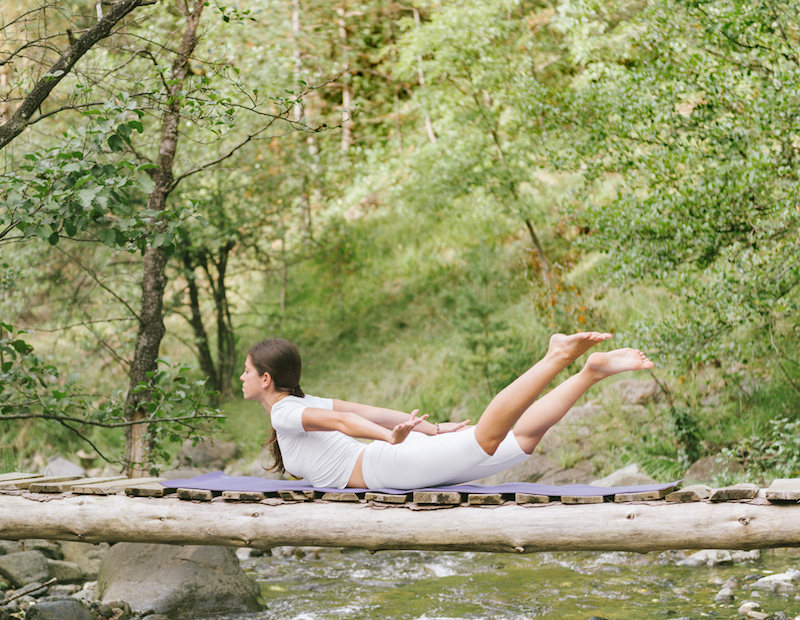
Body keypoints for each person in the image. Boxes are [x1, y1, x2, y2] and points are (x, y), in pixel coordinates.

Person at [240, 332, 654, 490]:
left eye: (246, 371)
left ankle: (556, 357)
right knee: (522, 441)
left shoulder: (284, 412)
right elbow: (371, 411)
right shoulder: (301, 402)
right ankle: (590, 373)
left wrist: (394, 437)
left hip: (388, 467)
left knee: (486, 438)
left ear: (266, 379)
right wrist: (433, 430)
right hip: (392, 462)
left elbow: (349, 421)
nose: (241, 378)